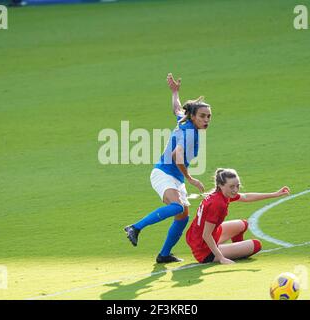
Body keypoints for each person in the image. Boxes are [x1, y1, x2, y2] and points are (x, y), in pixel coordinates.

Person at [124, 73, 212, 263]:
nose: (206, 120)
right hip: (163, 174)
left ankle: (164, 255)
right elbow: (176, 155)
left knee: (182, 217)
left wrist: (174, 92)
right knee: (177, 207)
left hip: (173, 176)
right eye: (203, 116)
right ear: (194, 117)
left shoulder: (185, 121)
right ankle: (135, 227)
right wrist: (190, 179)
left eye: (209, 116)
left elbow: (177, 109)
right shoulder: (189, 132)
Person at [186, 168, 290, 264]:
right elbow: (206, 235)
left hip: (199, 239)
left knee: (243, 224)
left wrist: (275, 194)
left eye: (237, 186)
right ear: (221, 185)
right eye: (231, 186)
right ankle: (231, 252)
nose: (235, 190)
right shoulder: (218, 203)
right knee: (256, 245)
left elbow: (245, 197)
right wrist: (221, 258)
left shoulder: (220, 194)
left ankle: (237, 249)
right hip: (204, 250)